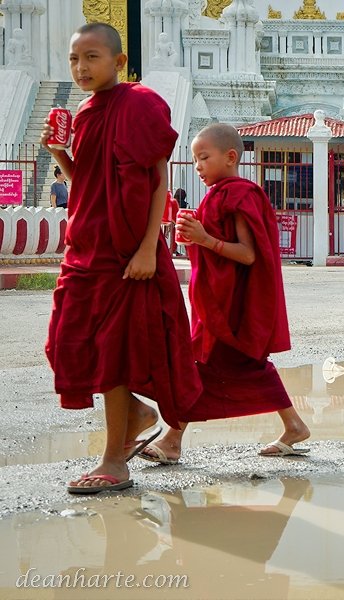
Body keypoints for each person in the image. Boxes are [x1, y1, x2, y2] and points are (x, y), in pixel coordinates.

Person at [41, 23, 202, 494]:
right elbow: (87, 182)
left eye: (92, 57)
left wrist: (151, 246)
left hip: (128, 253)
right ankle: (136, 413)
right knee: (64, 343)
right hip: (85, 248)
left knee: (112, 353)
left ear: (119, 62)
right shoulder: (86, 113)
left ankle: (115, 461)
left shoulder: (141, 104)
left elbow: (156, 178)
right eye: (74, 59)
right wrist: (59, 154)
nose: (81, 67)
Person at [139, 123, 310, 464]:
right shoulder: (217, 194)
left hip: (231, 306)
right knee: (242, 367)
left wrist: (204, 239)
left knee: (200, 367)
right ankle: (294, 425)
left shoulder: (239, 194)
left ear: (231, 157)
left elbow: (247, 254)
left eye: (204, 157)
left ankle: (173, 439)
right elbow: (213, 246)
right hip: (215, 301)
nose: (198, 166)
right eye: (195, 159)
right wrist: (193, 235)